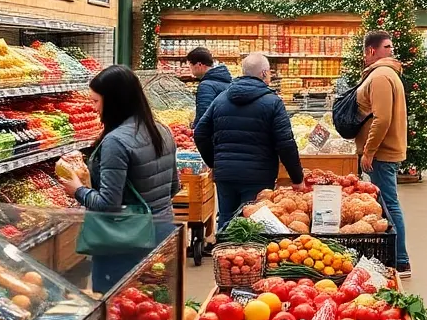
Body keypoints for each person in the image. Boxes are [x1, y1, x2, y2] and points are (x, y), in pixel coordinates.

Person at [57, 65, 179, 293]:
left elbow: (108, 204)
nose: (93, 109)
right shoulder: (162, 130)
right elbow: (174, 187)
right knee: (154, 304)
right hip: (164, 231)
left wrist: (77, 189)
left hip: (126, 240)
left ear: (114, 101)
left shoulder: (116, 141)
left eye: (95, 101)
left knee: (117, 309)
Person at [193, 53, 304, 233]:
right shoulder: (273, 102)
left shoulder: (221, 99)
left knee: (227, 221)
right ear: (263, 73)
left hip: (226, 175)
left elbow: (200, 133)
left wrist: (215, 161)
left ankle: (224, 257)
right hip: (258, 176)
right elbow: (285, 144)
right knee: (253, 224)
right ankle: (249, 260)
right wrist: (297, 178)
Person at [354, 30, 411, 278]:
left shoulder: (380, 76)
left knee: (388, 205)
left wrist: (369, 151)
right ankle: (394, 257)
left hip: (382, 153)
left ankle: (400, 260)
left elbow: (383, 118)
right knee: (386, 203)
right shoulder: (389, 74)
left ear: (369, 51)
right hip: (386, 151)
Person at [188, 47, 232, 126]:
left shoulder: (206, 86)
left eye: (190, 65)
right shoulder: (226, 81)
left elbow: (204, 115)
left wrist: (196, 131)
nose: (190, 69)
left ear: (199, 65)